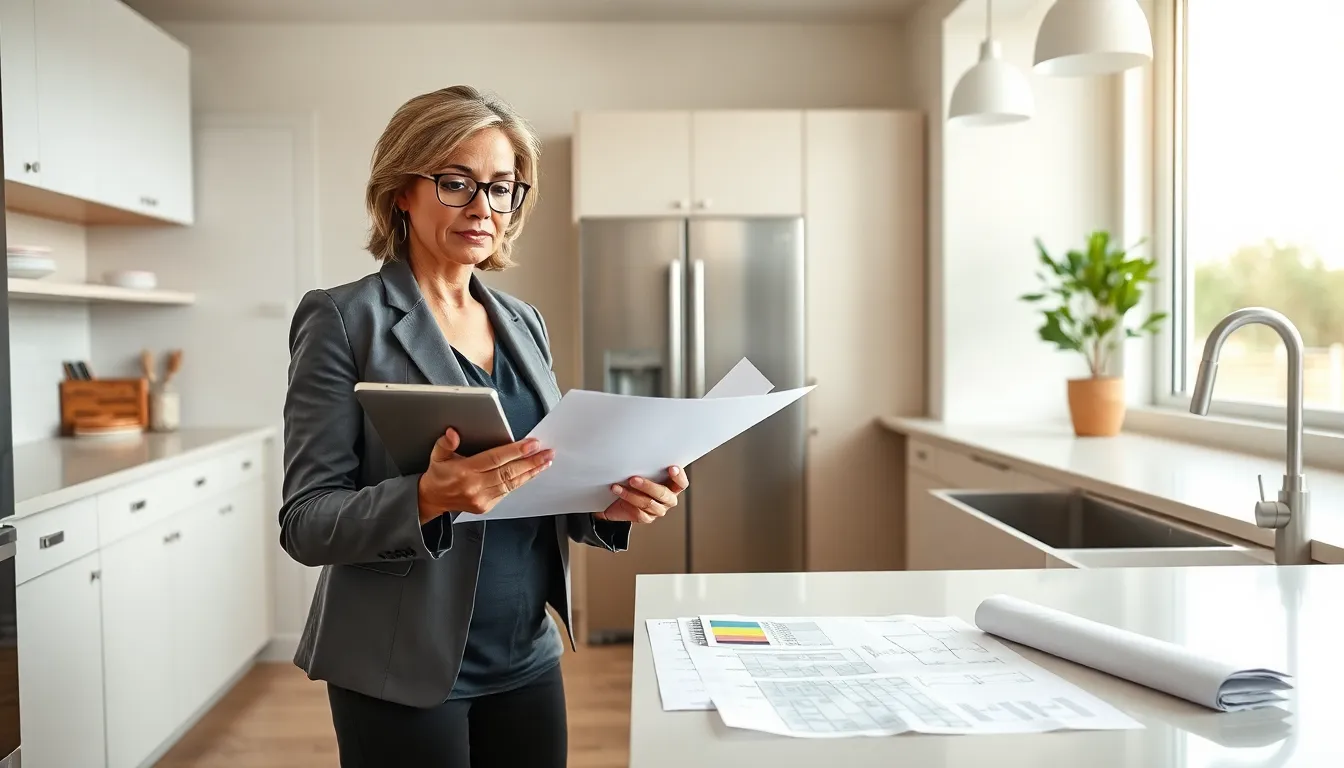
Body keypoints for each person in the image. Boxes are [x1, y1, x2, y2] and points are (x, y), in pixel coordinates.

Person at [278, 85, 687, 768]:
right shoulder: (343, 319)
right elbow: (306, 521)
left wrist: (605, 505)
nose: (482, 208)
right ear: (401, 191)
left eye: (501, 188)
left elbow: (538, 478)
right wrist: (426, 496)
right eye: (456, 182)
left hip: (527, 655)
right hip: (400, 666)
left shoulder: (524, 322)